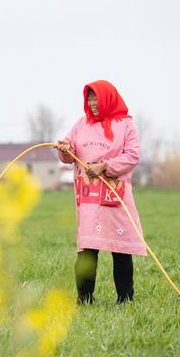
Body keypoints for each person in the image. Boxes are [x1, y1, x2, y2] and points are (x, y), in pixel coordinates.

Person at [56, 80, 146, 305]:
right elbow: (70, 152)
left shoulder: (126, 125)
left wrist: (104, 166)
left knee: (121, 250)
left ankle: (125, 299)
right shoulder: (81, 124)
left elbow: (132, 156)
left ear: (108, 98)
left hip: (115, 198)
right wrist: (65, 149)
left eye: (96, 98)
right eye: (89, 98)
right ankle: (84, 299)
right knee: (87, 250)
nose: (92, 103)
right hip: (88, 199)